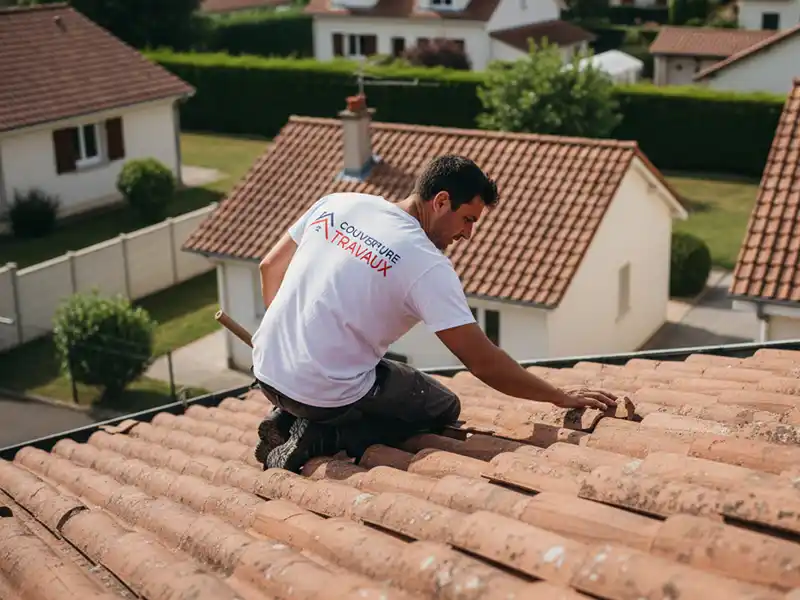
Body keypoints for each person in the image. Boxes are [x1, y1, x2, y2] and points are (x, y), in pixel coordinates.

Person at [250, 154, 617, 473]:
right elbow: (483, 362)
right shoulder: (425, 264)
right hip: (322, 395)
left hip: (266, 370)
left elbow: (269, 267)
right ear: (441, 201)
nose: (468, 234)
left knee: (364, 382)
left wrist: (292, 342)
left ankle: (288, 417)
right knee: (442, 407)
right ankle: (323, 436)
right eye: (468, 219)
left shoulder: (340, 202)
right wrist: (560, 397)